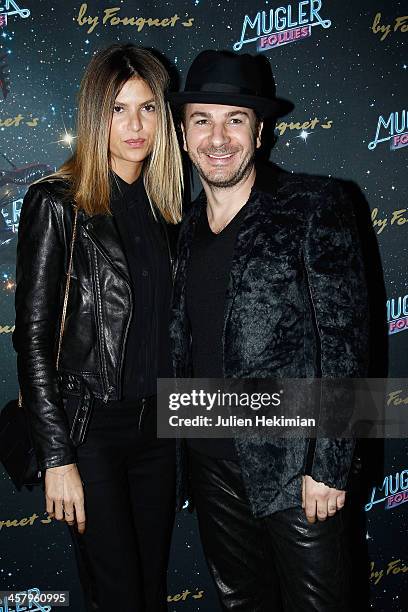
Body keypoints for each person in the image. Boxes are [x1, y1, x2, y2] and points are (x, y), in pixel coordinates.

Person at [168, 50, 368, 611]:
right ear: (184, 137)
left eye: (235, 119)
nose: (218, 137)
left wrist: (328, 466)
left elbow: (344, 344)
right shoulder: (182, 228)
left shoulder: (313, 204)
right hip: (210, 467)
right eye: (201, 120)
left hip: (294, 469)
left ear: (259, 133)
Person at [13, 44, 183, 612]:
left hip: (160, 429)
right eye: (117, 108)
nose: (135, 125)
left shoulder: (169, 209)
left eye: (148, 108)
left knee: (150, 588)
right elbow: (32, 338)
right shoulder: (58, 203)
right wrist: (58, 455)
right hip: (92, 433)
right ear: (94, 114)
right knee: (118, 596)